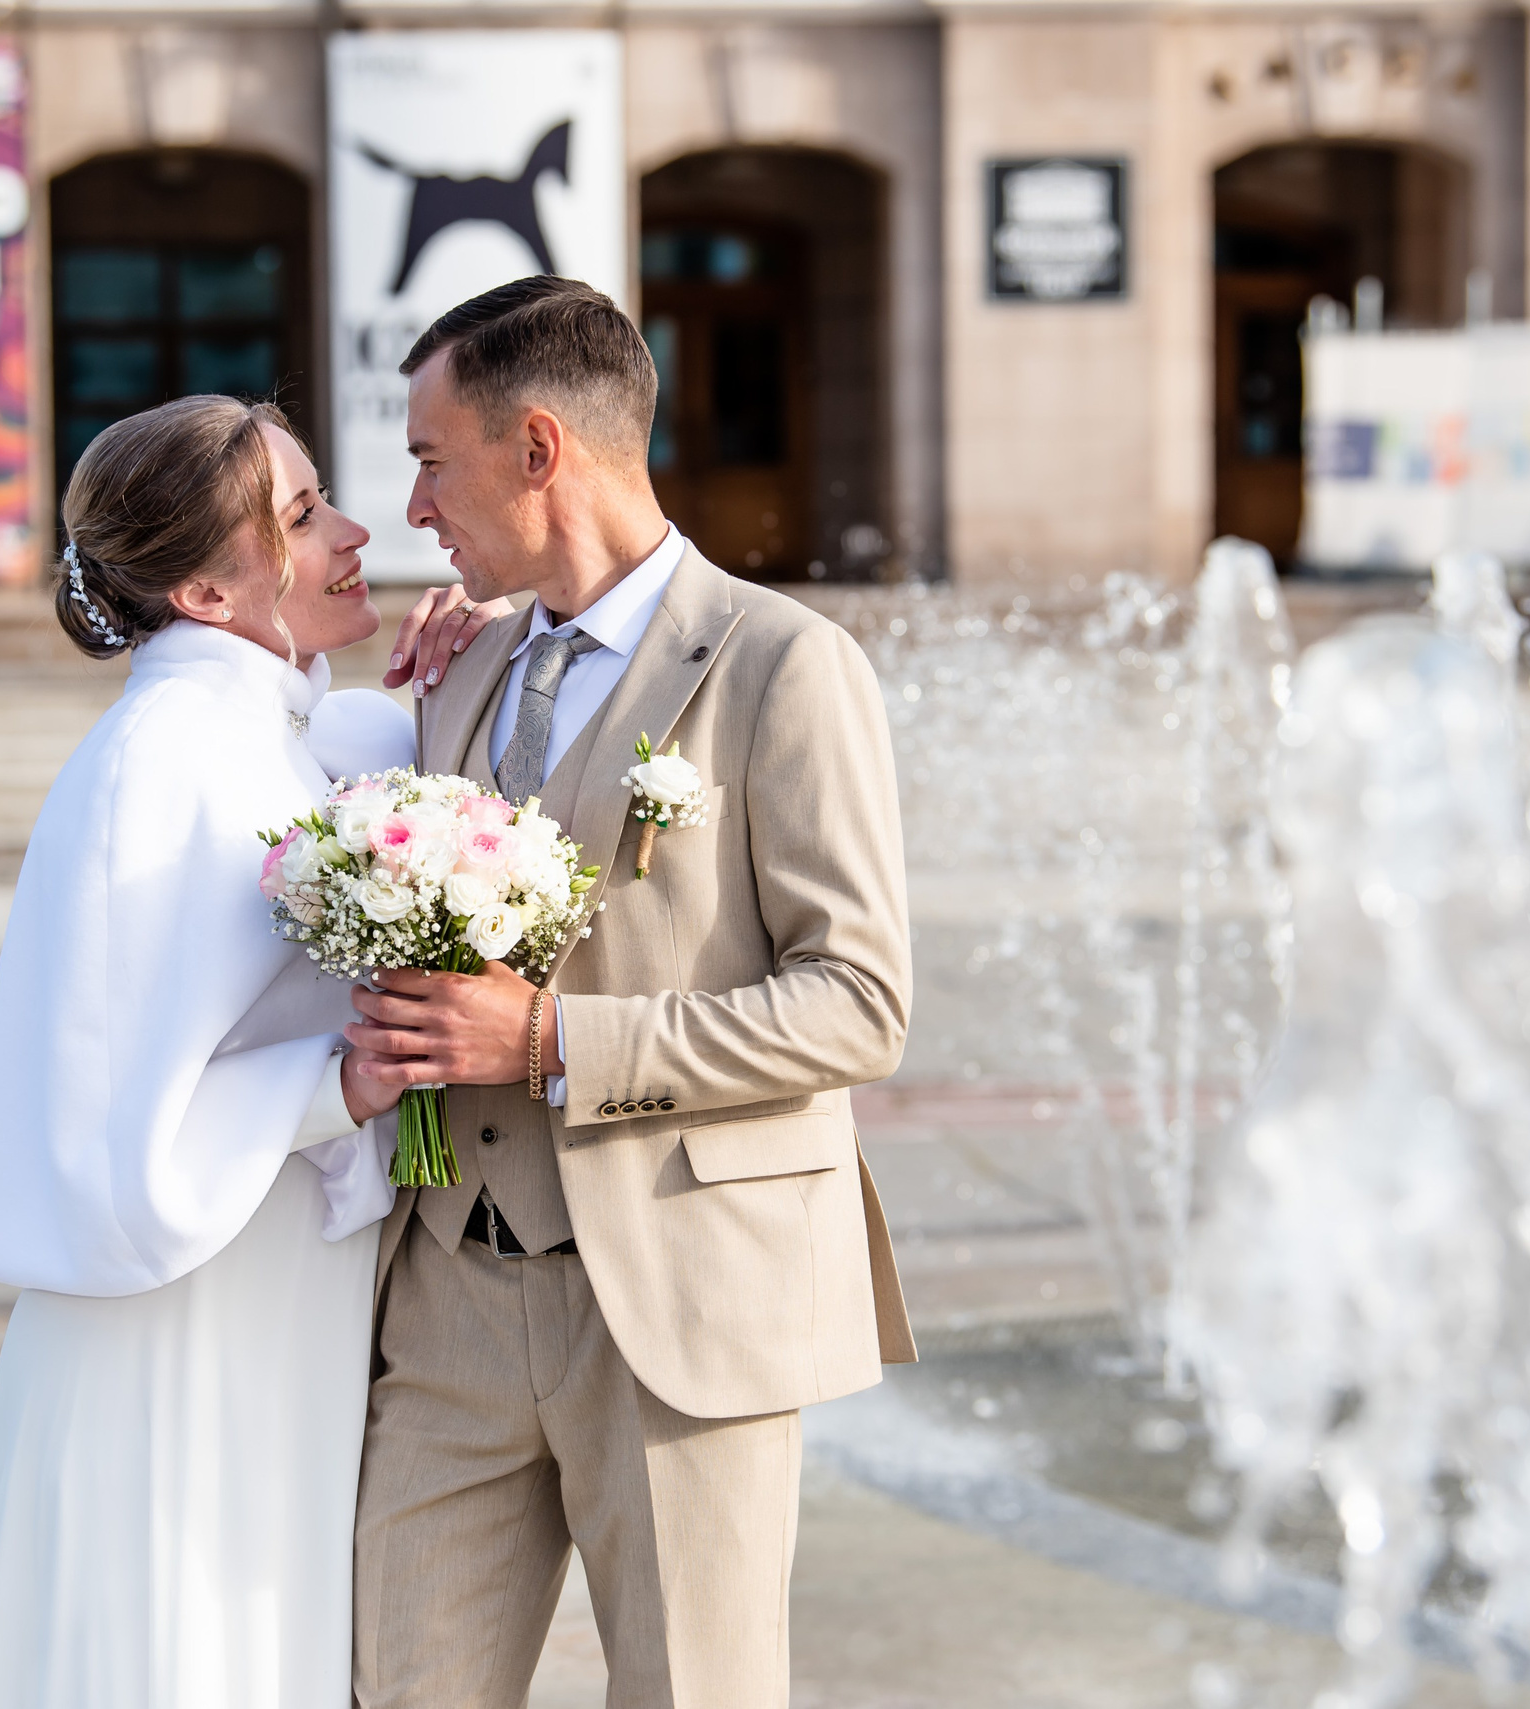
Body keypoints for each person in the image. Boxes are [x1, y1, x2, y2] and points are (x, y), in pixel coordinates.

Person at [344, 276, 918, 1708]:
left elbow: (858, 1000)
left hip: (678, 1307)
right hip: (449, 1307)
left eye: (430, 458)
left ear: (538, 449)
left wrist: (552, 1039)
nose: (415, 504)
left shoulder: (787, 666)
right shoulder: (456, 667)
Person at [0, 394, 501, 1708]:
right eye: (303, 516)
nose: (359, 532)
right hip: (180, 1306)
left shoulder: (266, 729)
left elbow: (353, 764)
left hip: (265, 1276)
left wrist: (451, 697)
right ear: (201, 586)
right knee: (184, 1628)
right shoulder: (167, 763)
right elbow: (111, 1111)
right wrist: (338, 1084)